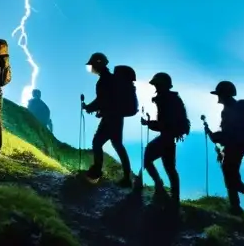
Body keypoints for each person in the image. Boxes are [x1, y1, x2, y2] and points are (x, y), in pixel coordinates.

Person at [206, 80, 244, 215]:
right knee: (230, 175)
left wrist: (216, 136)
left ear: (223, 95)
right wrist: (218, 136)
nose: (218, 97)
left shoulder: (232, 110)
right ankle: (237, 206)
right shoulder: (235, 109)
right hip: (237, 145)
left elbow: (231, 132)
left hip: (235, 146)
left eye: (219, 94)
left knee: (230, 176)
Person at [81, 52, 132, 186]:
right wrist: (99, 110)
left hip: (111, 118)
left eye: (92, 65)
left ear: (98, 64)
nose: (91, 69)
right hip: (116, 118)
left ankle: (96, 173)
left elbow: (102, 100)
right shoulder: (112, 79)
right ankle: (127, 178)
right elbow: (109, 101)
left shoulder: (104, 81)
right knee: (118, 145)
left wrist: (89, 107)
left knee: (97, 142)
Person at [141, 72, 189, 204]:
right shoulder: (170, 99)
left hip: (167, 137)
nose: (155, 87)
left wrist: (149, 123)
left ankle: (159, 185)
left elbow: (166, 123)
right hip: (169, 138)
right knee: (170, 168)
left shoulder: (166, 100)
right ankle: (174, 196)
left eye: (157, 85)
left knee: (148, 157)